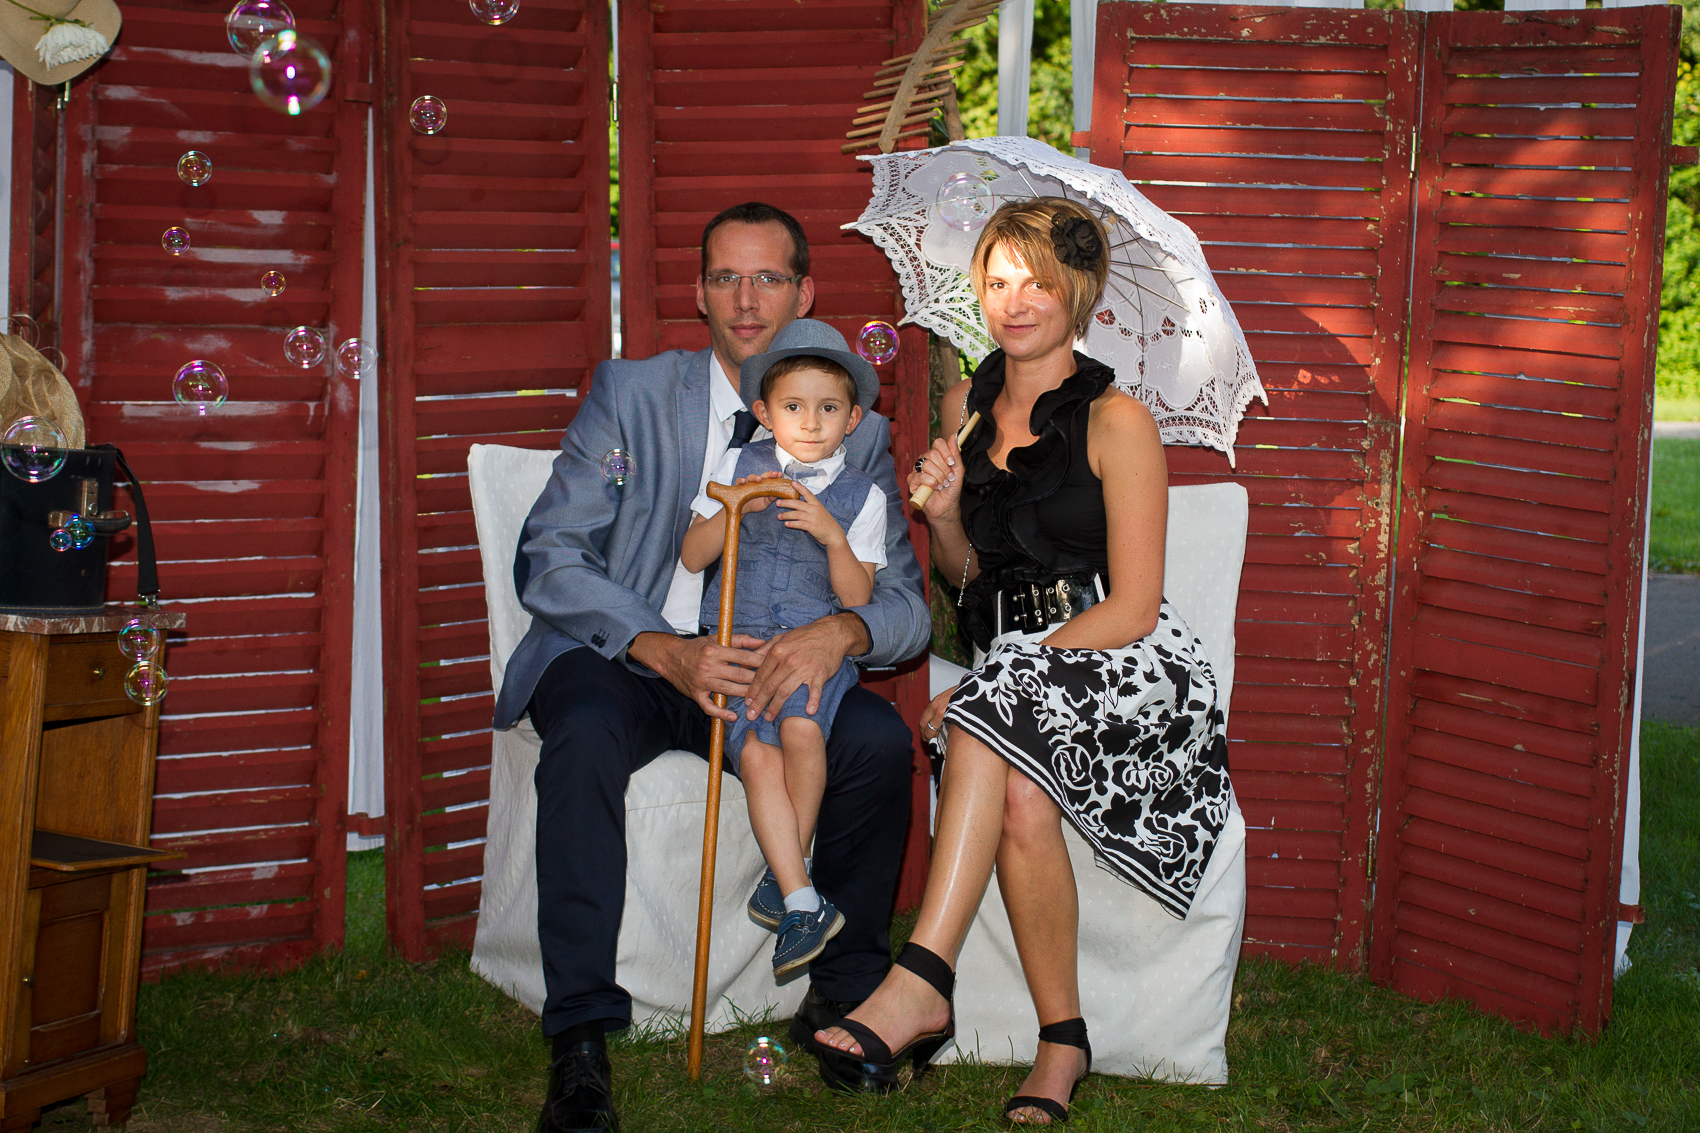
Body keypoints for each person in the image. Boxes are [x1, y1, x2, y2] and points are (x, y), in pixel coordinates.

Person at [495, 203, 930, 1133]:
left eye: (769, 277)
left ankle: (842, 993)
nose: (746, 299)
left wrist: (840, 632)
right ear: (697, 292)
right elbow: (551, 554)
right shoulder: (632, 395)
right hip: (635, 657)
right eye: (726, 277)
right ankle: (580, 1039)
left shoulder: (850, 431)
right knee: (581, 726)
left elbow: (904, 608)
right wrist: (660, 645)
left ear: (805, 293)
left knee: (874, 739)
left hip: (770, 672)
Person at [809, 198, 1233, 1125]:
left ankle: (921, 980)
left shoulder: (1118, 420)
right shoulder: (963, 410)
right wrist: (945, 517)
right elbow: (965, 582)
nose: (1016, 300)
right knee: (1023, 793)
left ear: (1079, 291)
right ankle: (1063, 1042)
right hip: (1016, 672)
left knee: (987, 713)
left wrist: (991, 683)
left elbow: (1133, 605)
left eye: (1038, 281)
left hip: (1126, 666)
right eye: (998, 281)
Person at [680, 320, 887, 979]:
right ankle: (802, 898)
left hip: (809, 653)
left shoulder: (863, 495)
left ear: (853, 419)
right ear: (765, 413)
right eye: (793, 406)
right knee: (757, 754)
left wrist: (832, 536)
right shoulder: (737, 466)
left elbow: (858, 597)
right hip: (739, 646)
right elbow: (692, 556)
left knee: (801, 729)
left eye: (828, 408)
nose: (812, 422)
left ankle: (786, 880)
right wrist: (733, 510)